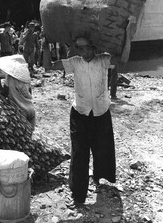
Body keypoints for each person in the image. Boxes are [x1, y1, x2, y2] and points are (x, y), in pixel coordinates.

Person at [43, 36, 117, 206]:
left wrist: (126, 34)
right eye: (79, 49)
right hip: (80, 113)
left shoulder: (104, 60)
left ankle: (101, 177)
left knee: (103, 148)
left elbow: (124, 60)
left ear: (93, 47)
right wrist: (45, 44)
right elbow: (48, 66)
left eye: (86, 48)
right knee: (79, 153)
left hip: (101, 112)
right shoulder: (75, 62)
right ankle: (78, 194)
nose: (83, 52)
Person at [0, 55, 36, 127]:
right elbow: (30, 94)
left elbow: (4, 94)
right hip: (31, 109)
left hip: (20, 111)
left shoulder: (9, 78)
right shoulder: (26, 78)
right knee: (31, 134)